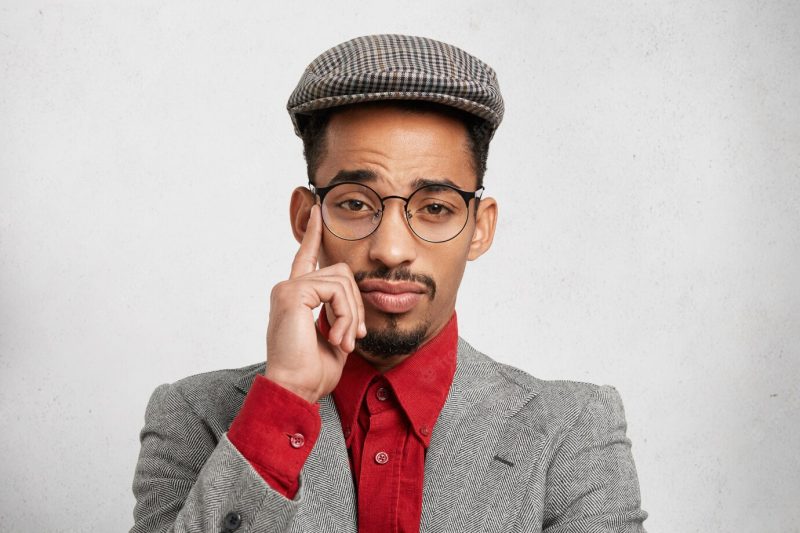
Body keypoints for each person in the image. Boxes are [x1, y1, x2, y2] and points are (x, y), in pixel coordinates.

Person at [130, 34, 647, 533]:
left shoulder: (573, 430)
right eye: (355, 203)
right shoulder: (193, 417)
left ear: (480, 228)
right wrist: (283, 400)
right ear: (306, 217)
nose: (392, 249)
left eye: (436, 207)